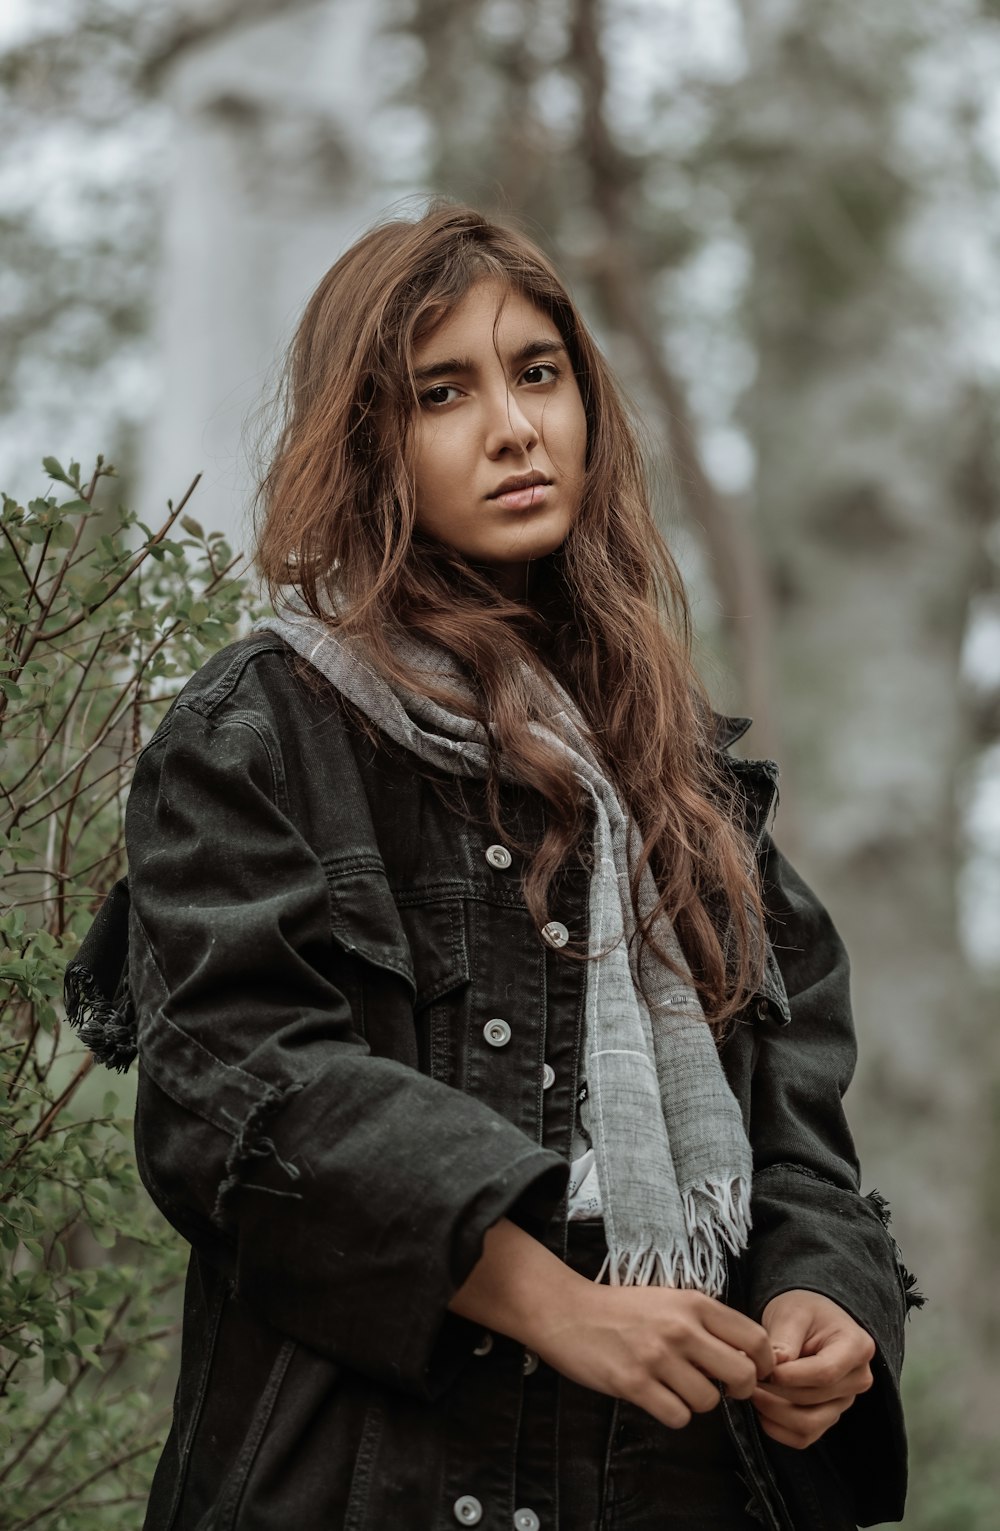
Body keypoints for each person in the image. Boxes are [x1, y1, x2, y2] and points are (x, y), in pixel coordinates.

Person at [66, 201, 918, 1531]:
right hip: (380, 1479)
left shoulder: (685, 786)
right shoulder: (264, 731)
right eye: (442, 392)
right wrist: (560, 1308)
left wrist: (825, 1307)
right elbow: (238, 1096)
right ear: (366, 443)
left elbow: (801, 1148)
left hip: (683, 1477)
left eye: (538, 373)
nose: (514, 428)